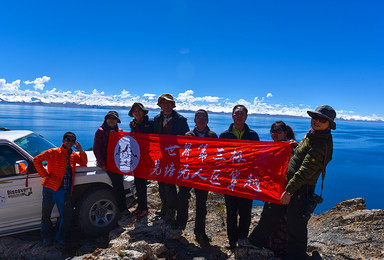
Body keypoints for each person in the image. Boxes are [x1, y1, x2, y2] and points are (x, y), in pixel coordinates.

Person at [279, 105, 335, 259]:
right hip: (298, 188)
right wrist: (296, 145)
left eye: (322, 119)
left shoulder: (320, 144)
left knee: (295, 226)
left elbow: (305, 171)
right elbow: (305, 153)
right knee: (293, 223)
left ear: (329, 123)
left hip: (301, 190)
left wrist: (289, 190)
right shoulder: (313, 135)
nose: (316, 121)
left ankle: (297, 256)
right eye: (315, 117)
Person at [247, 121, 297, 256]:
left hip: (285, 191)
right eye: (273, 131)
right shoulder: (273, 147)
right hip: (272, 190)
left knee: (273, 218)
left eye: (278, 131)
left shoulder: (291, 147)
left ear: (285, 132)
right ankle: (272, 247)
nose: (275, 134)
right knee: (273, 218)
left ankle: (256, 242)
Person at [34, 132, 87, 247]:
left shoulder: (73, 155)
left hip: (65, 191)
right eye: (68, 139)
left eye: (72, 141)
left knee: (66, 216)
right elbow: (36, 160)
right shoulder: (53, 152)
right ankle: (46, 238)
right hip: (50, 189)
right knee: (46, 215)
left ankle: (60, 238)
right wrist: (44, 174)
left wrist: (81, 150)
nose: (70, 142)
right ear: (63, 140)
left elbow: (84, 162)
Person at [173, 109, 218, 244]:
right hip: (189, 173)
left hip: (203, 175)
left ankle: (200, 231)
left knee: (201, 204)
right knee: (182, 198)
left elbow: (216, 154)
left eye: (204, 118)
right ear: (194, 120)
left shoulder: (212, 135)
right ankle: (180, 223)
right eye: (199, 117)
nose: (201, 120)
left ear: (207, 120)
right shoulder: (188, 134)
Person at [219, 104, 260, 250]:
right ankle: (232, 241)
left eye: (242, 114)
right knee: (231, 212)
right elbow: (220, 157)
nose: (239, 116)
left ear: (246, 117)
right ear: (232, 115)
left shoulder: (253, 135)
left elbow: (258, 157)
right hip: (230, 180)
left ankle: (242, 239)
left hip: (246, 180)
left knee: (245, 212)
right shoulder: (224, 135)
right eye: (236, 113)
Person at [153, 93, 190, 222]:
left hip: (175, 157)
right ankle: (165, 206)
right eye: (163, 103)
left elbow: (186, 138)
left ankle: (171, 208)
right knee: (161, 182)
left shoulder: (180, 120)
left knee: (170, 182)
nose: (166, 105)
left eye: (168, 103)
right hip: (160, 156)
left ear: (172, 105)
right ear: (161, 105)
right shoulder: (157, 119)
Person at [93, 111, 130, 217]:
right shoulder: (100, 131)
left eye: (114, 118)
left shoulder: (120, 131)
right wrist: (102, 163)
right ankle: (122, 209)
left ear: (117, 120)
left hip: (117, 162)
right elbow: (97, 149)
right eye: (109, 118)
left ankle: (119, 207)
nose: (111, 120)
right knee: (118, 185)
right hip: (107, 163)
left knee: (119, 184)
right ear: (106, 119)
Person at [129, 102, 154, 217]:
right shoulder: (133, 124)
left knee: (142, 183)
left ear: (143, 112)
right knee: (138, 183)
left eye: (139, 110)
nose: (137, 113)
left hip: (147, 158)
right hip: (136, 157)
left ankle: (144, 208)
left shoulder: (151, 123)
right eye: (135, 111)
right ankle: (140, 206)